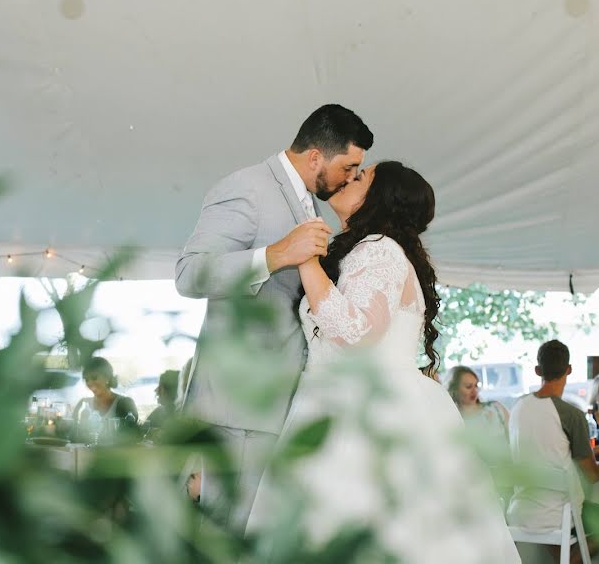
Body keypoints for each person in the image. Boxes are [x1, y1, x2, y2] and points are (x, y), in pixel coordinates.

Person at [246, 161, 520, 562]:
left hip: (360, 413)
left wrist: (306, 259)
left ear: (380, 200)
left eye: (361, 177)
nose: (348, 178)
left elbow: (356, 335)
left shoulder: (378, 250)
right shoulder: (372, 251)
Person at [175, 104, 373, 532]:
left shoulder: (312, 210)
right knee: (227, 538)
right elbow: (189, 275)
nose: (352, 178)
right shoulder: (247, 188)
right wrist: (276, 254)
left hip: (280, 406)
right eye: (349, 166)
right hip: (239, 408)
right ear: (317, 156)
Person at [508, 340, 599, 562]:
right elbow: (592, 475)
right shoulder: (571, 415)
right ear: (569, 370)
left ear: (537, 370)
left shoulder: (517, 407)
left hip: (518, 510)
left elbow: (544, 450)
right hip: (558, 515)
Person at [446, 365, 510, 465]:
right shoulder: (451, 419)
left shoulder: (496, 408)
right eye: (468, 386)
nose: (474, 391)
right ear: (454, 388)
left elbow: (514, 439)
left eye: (476, 385)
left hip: (506, 470)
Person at [73, 357, 139, 434]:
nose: (89, 383)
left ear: (107, 377)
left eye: (94, 378)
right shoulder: (83, 404)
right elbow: (74, 434)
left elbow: (132, 436)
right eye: (86, 380)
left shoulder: (125, 403)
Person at [142, 370, 180, 439]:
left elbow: (139, 433)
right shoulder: (160, 411)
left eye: (159, 385)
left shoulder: (160, 412)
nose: (155, 390)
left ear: (163, 390)